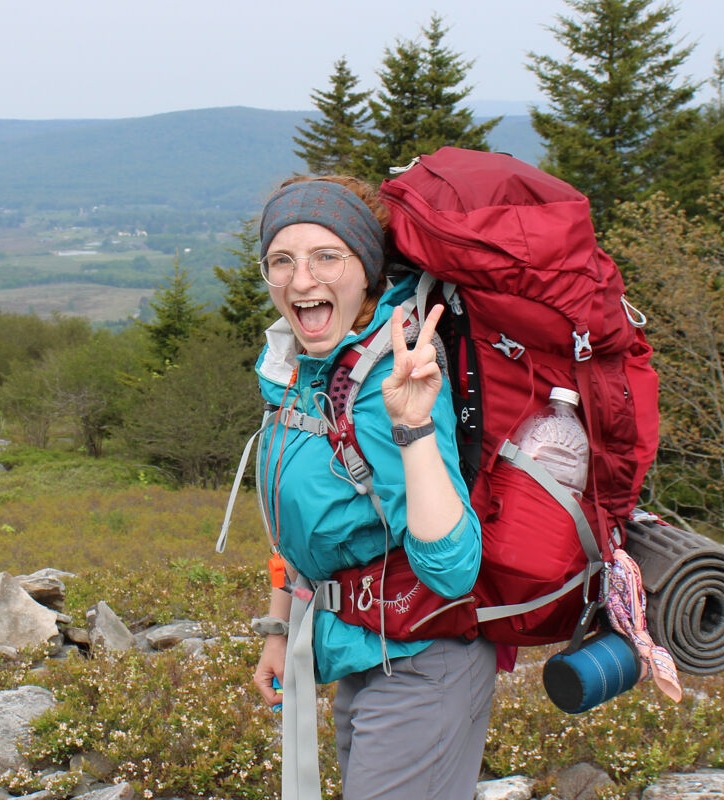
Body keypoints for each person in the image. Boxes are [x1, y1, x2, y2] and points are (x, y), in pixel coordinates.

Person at [250, 175, 496, 799]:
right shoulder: (303, 373)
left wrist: (412, 425)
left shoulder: (392, 376)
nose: (301, 280)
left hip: (424, 660)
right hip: (361, 650)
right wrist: (279, 632)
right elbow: (299, 528)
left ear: (365, 268)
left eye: (326, 256)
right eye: (282, 260)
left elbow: (454, 568)